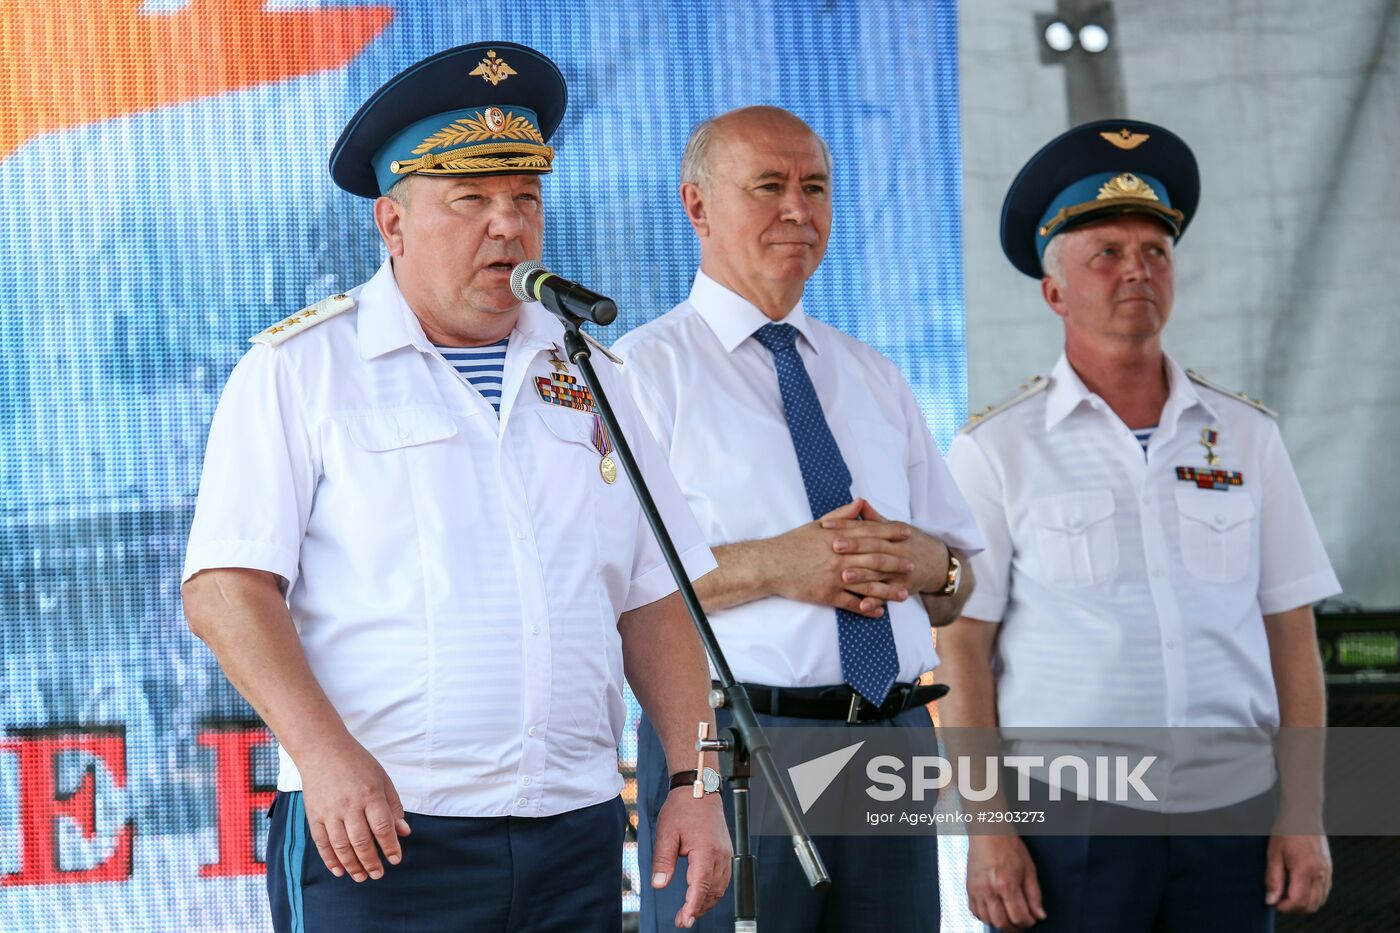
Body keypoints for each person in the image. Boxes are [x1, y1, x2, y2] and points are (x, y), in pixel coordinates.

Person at [180, 42, 731, 933]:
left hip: (576, 828)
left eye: (526, 199)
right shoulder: (302, 369)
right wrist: (322, 755)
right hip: (380, 829)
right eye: (470, 198)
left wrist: (696, 782)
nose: (507, 226)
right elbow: (224, 589)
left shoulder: (594, 372)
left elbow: (655, 596)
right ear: (391, 223)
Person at [938, 119, 1339, 932]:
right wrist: (988, 827)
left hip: (1232, 810)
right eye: (1107, 253)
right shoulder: (997, 449)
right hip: (1069, 817)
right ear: (1054, 292)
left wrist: (1304, 808)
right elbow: (962, 652)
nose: (1137, 270)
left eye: (1155, 250)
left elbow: (1290, 633)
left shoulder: (1247, 436)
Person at [613, 105, 983, 932]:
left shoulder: (873, 375)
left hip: (890, 738)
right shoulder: (638, 374)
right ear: (697, 206)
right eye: (769, 186)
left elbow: (958, 586)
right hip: (737, 742)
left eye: (814, 187)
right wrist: (779, 564)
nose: (797, 209)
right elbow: (614, 585)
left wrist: (929, 563)